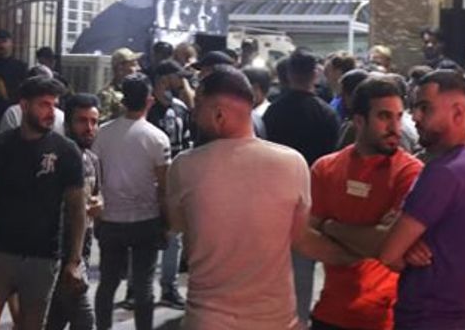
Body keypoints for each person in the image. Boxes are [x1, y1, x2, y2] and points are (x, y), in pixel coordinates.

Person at [166, 66, 357, 330]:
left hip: (207, 321)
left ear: (219, 114)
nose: (194, 113)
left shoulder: (184, 167)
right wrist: (359, 253)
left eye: (198, 105)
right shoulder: (292, 163)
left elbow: (178, 225)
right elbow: (302, 239)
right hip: (276, 320)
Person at [367, 69, 465, 330]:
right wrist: (407, 242)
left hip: (432, 318)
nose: (415, 117)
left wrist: (402, 241)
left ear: (458, 112)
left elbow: (389, 254)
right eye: (415, 108)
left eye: (425, 108)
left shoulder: (445, 172)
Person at [0, 76, 86, 330]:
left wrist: (74, 260)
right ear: (24, 105)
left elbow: (77, 209)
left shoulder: (66, 151)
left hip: (43, 257)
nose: (50, 112)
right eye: (43, 104)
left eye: (54, 105)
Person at [312, 76, 424, 330]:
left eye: (398, 117)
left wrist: (331, 228)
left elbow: (389, 244)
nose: (395, 127)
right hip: (330, 312)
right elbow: (304, 236)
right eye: (384, 116)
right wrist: (370, 241)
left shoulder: (411, 172)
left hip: (387, 317)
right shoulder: (326, 168)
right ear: (359, 121)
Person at [263, 50, 341, 323]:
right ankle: (299, 321)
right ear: (314, 74)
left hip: (274, 198)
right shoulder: (327, 113)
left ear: (289, 73)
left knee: (271, 268)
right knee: (304, 269)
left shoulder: (273, 112)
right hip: (312, 199)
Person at [91, 74, 170, 330]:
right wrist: (166, 223)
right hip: (146, 219)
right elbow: (164, 187)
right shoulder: (157, 138)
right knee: (144, 285)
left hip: (111, 218)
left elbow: (95, 178)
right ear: (149, 100)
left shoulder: (103, 133)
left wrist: (97, 217)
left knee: (107, 283)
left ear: (123, 101)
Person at [46, 94, 101, 330]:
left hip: (81, 252)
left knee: (55, 319)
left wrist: (98, 205)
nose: (89, 128)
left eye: (94, 121)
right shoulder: (54, 159)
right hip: (57, 254)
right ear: (68, 124)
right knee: (84, 320)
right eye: (82, 121)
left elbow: (97, 195)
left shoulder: (92, 159)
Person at [147, 60, 194, 309]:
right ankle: (137, 288)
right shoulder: (148, 108)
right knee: (144, 235)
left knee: (174, 235)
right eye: (178, 77)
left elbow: (186, 144)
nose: (181, 81)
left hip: (175, 180)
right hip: (147, 181)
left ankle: (169, 287)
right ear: (165, 78)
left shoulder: (179, 108)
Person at [97, 48, 140, 121]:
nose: (138, 68)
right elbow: (102, 122)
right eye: (134, 65)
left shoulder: (137, 91)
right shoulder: (106, 94)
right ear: (120, 68)